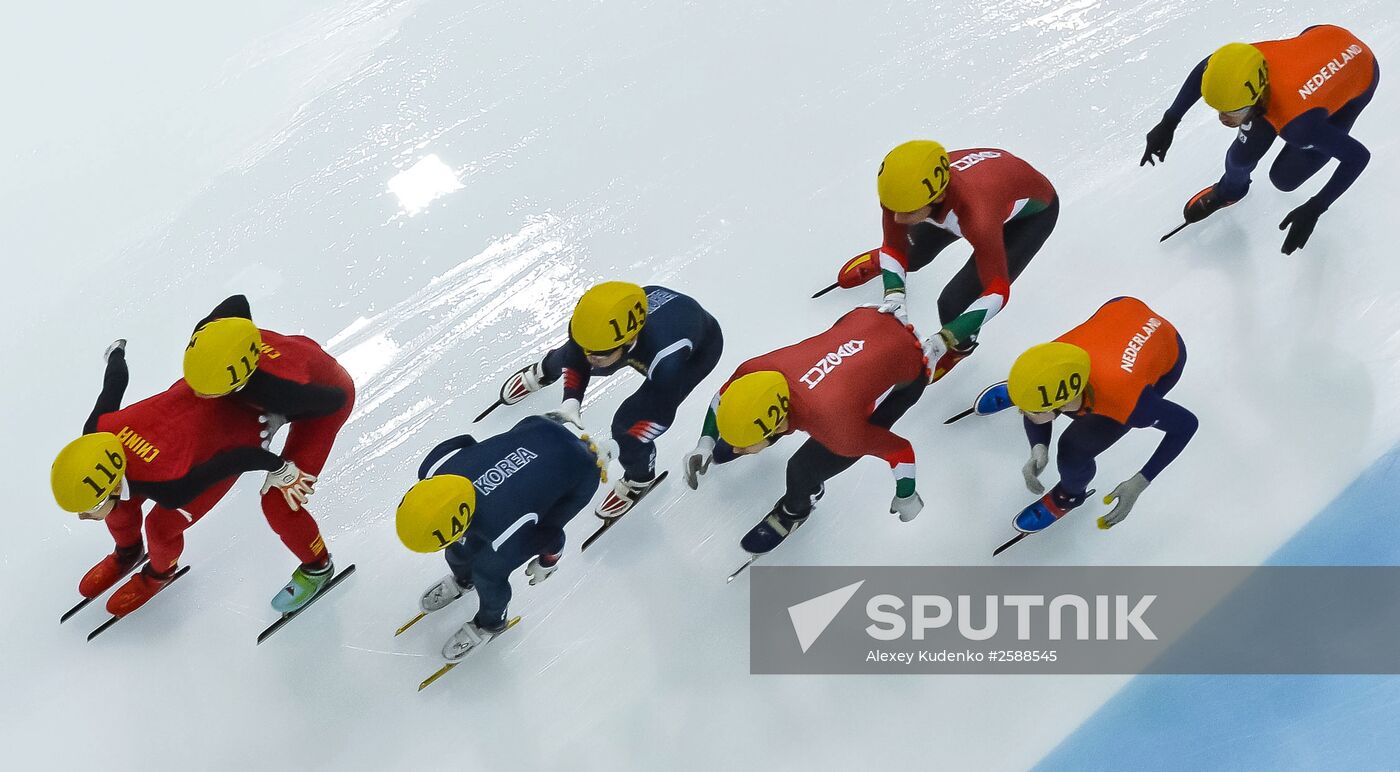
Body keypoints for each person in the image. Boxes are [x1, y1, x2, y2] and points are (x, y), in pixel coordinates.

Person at [50, 340, 294, 616]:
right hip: (193, 400)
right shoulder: (96, 430)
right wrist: (116, 354)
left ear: (116, 483)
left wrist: (280, 467)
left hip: (236, 437)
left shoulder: (172, 486)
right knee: (119, 509)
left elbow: (238, 459)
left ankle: (160, 574)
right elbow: (115, 382)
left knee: (161, 528)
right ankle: (128, 550)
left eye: (90, 507)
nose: (83, 517)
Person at [682, 306, 931, 555]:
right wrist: (706, 443)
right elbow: (721, 399)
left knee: (803, 468)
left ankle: (794, 510)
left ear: (779, 426)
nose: (736, 448)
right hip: (867, 318)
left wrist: (906, 496)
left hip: (908, 369)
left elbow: (900, 450)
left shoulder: (839, 430)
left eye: (744, 444)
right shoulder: (753, 372)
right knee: (839, 391)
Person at [182, 295, 356, 612]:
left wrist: (280, 458)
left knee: (277, 501)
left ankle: (319, 566)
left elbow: (332, 401)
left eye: (209, 389)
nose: (198, 393)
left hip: (324, 400)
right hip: (300, 358)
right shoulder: (208, 333)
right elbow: (237, 302)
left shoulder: (274, 389)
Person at [833, 140, 1058, 382]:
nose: (896, 218)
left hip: (1029, 216)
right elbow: (893, 243)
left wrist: (946, 339)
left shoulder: (977, 218)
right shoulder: (902, 188)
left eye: (907, 211)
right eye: (891, 207)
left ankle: (961, 349)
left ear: (938, 197)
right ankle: (889, 261)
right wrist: (894, 293)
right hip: (989, 182)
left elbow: (997, 291)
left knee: (954, 302)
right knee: (911, 254)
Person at [1141, 25, 1379, 254]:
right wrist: (1169, 121)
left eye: (1231, 111)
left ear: (1255, 97)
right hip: (1324, 37)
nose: (1223, 119)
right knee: (1240, 156)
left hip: (1360, 71)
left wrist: (1316, 206)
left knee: (1285, 179)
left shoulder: (1299, 127)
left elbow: (1357, 157)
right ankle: (1229, 191)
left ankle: (1319, 112)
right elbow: (1203, 69)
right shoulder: (1242, 62)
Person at [495, 282, 722, 517]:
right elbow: (578, 354)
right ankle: (544, 370)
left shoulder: (667, 360)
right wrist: (571, 401)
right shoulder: (594, 327)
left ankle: (639, 479)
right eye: (586, 348)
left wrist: (616, 447)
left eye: (598, 354)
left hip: (697, 353)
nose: (589, 357)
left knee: (626, 423)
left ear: (628, 342)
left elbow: (660, 417)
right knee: (569, 356)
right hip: (648, 331)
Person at [394, 415, 607, 661]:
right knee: (460, 548)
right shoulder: (434, 469)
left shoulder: (504, 529)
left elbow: (552, 534)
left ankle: (492, 623)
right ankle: (463, 578)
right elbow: (465, 442)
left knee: (489, 572)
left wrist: (548, 562)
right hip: (540, 427)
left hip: (580, 473)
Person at [1004, 297, 1198, 534]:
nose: (1022, 413)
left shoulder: (1131, 404)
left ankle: (1071, 496)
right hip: (1123, 309)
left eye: (1028, 409)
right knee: (1045, 392)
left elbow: (1186, 425)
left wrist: (1140, 481)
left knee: (1073, 449)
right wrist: (1039, 446)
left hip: (1168, 355)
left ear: (1061, 404)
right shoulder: (1052, 355)